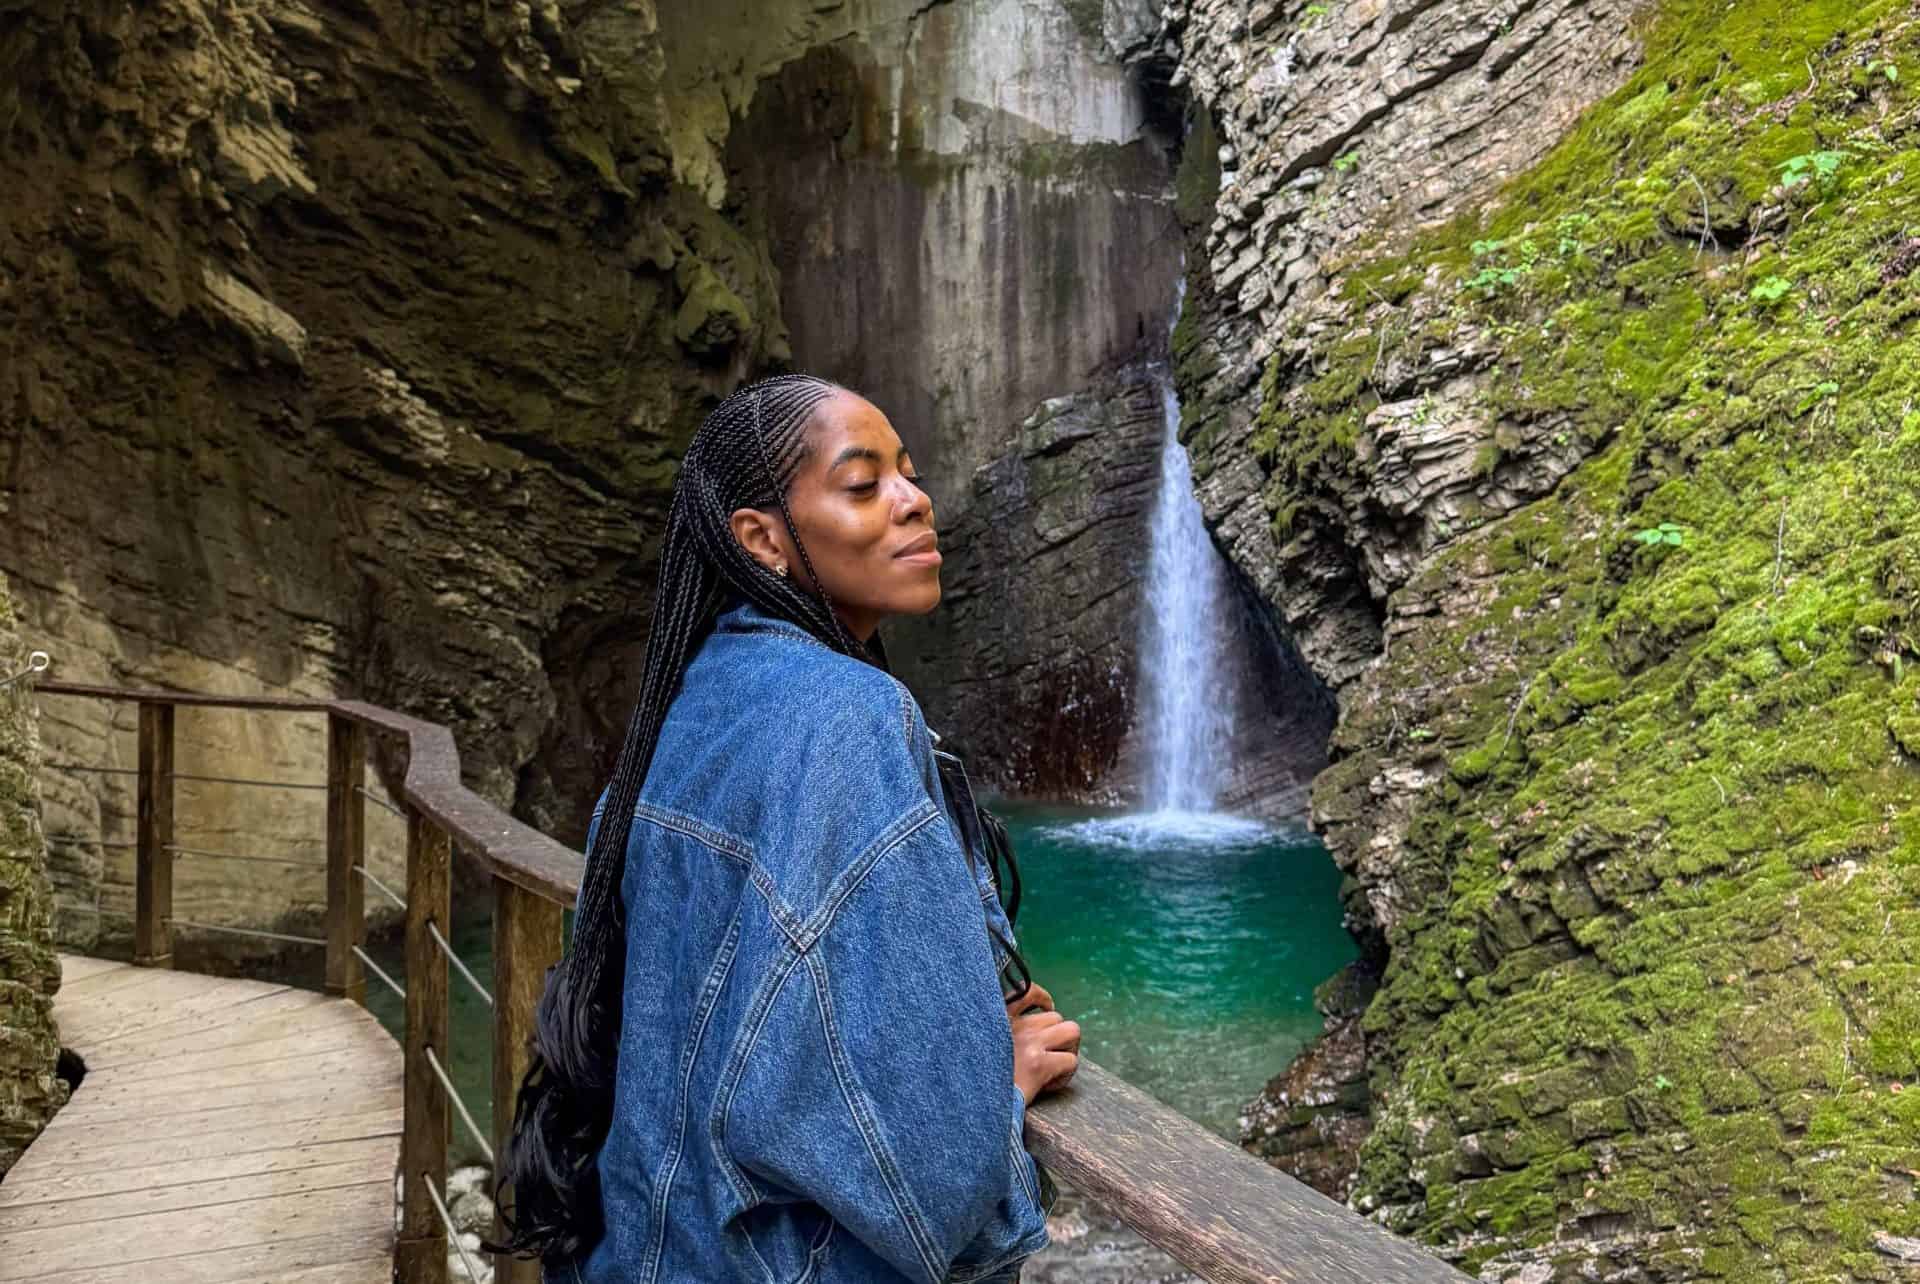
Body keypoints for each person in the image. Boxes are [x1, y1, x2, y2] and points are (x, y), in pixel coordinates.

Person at [486, 373, 1084, 1283]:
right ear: (761, 538)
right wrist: (990, 1080)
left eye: (910, 475)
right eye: (863, 483)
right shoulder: (851, 715)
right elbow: (932, 1175)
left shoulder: (684, 711)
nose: (915, 501)